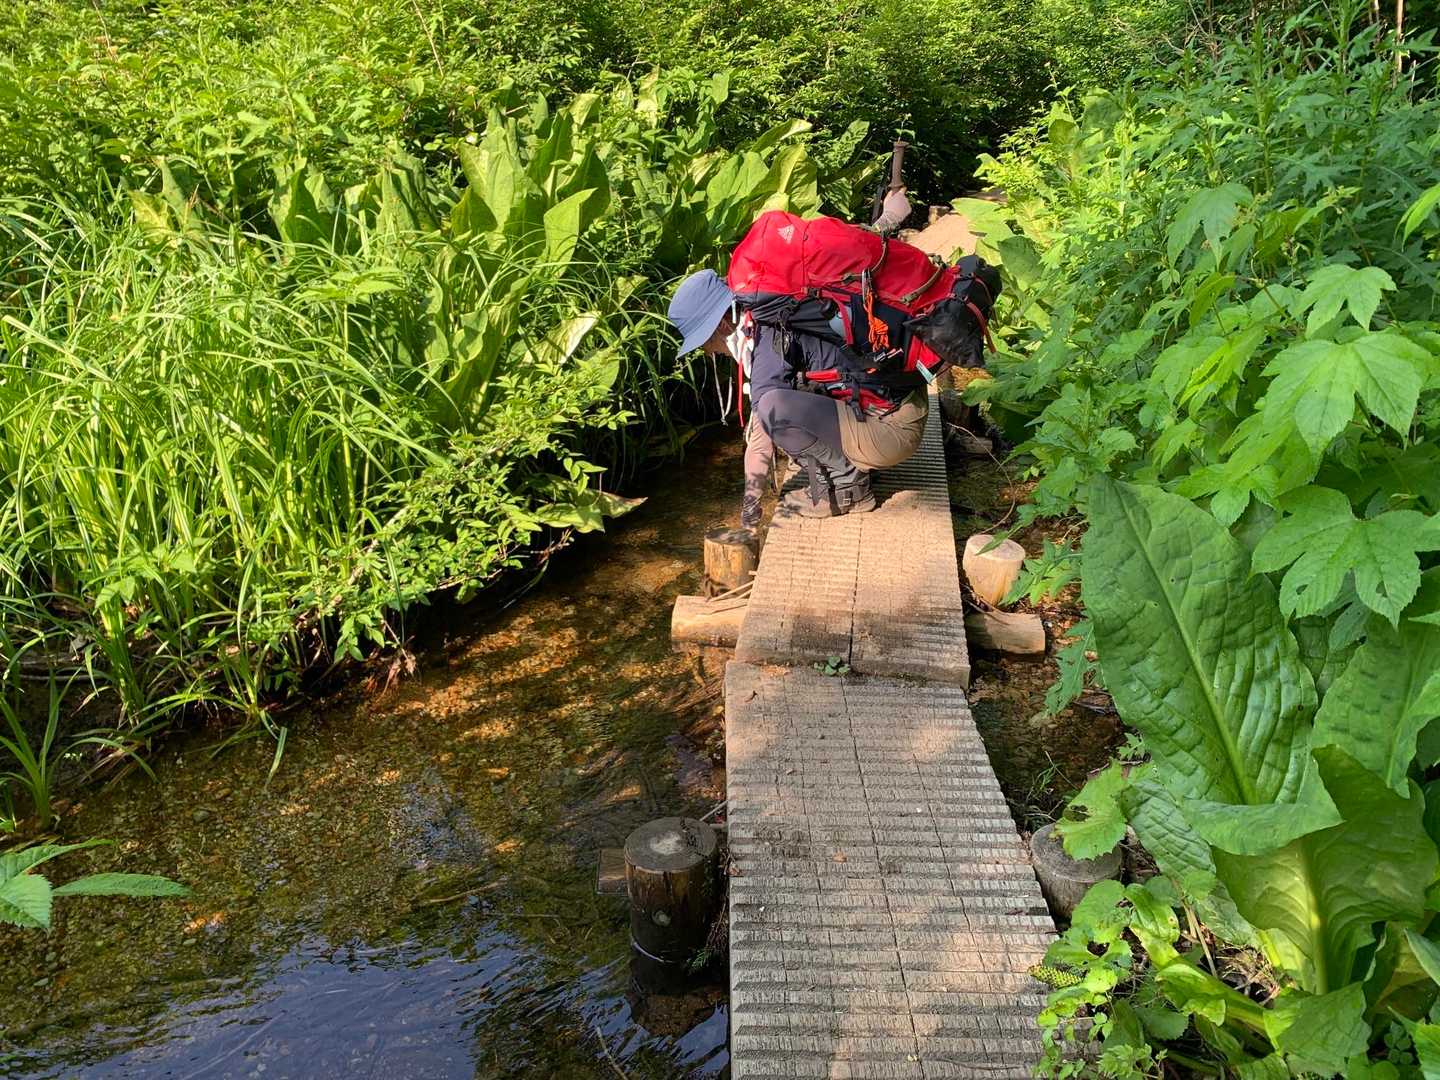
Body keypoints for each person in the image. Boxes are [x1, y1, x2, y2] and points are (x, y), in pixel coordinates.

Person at [666, 190, 927, 525]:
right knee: (784, 401)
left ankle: (849, 488)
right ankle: (847, 469)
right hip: (904, 405)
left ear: (721, 325)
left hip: (892, 435)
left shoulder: (766, 345)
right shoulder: (784, 308)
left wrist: (749, 511)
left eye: (703, 341)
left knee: (775, 410)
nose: (705, 350)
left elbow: (762, 437)